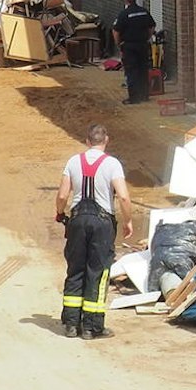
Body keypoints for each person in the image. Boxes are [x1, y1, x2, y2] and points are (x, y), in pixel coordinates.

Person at [55, 124, 132, 339]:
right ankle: (92, 327)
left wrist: (60, 214)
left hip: (78, 221)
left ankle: (71, 324)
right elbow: (124, 197)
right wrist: (128, 221)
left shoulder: (73, 161)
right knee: (97, 273)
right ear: (106, 140)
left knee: (76, 269)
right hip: (102, 223)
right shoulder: (112, 164)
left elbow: (62, 196)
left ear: (87, 141)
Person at [112, 0, 157, 104]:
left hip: (129, 46)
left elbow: (116, 31)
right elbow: (152, 26)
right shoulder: (144, 12)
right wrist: (147, 37)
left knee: (131, 71)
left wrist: (118, 44)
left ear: (126, 1)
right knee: (143, 70)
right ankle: (145, 95)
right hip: (142, 45)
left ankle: (134, 98)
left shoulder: (124, 14)